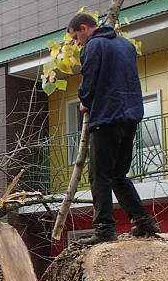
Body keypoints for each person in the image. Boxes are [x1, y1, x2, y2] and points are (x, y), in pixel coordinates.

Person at [67, 12, 159, 245]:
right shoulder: (126, 45)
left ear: (85, 28)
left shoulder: (93, 47)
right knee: (119, 174)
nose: (77, 43)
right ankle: (144, 221)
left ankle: (104, 229)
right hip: (131, 116)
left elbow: (90, 81)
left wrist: (85, 102)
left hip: (107, 117)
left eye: (76, 37)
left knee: (100, 176)